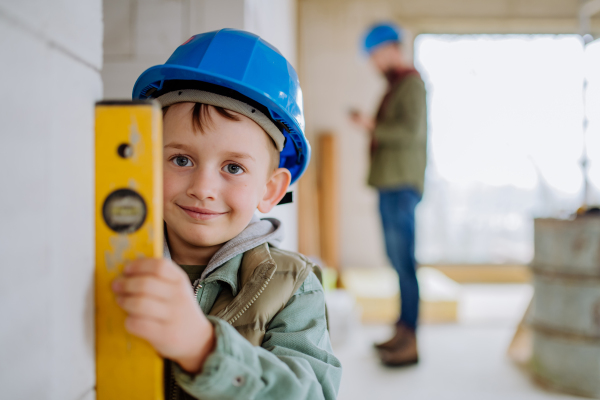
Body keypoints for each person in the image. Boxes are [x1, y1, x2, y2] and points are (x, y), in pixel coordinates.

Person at [111, 29, 342, 399]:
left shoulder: (293, 287)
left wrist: (205, 350)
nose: (203, 187)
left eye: (233, 168)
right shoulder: (112, 259)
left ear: (270, 190)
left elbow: (311, 392)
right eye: (181, 159)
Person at [349, 22, 427, 367]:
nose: (375, 64)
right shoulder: (397, 84)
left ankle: (410, 339)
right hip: (391, 183)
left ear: (393, 49)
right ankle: (402, 330)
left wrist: (370, 126)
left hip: (400, 185)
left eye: (377, 55)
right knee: (398, 263)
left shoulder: (410, 83)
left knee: (404, 263)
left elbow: (409, 132)